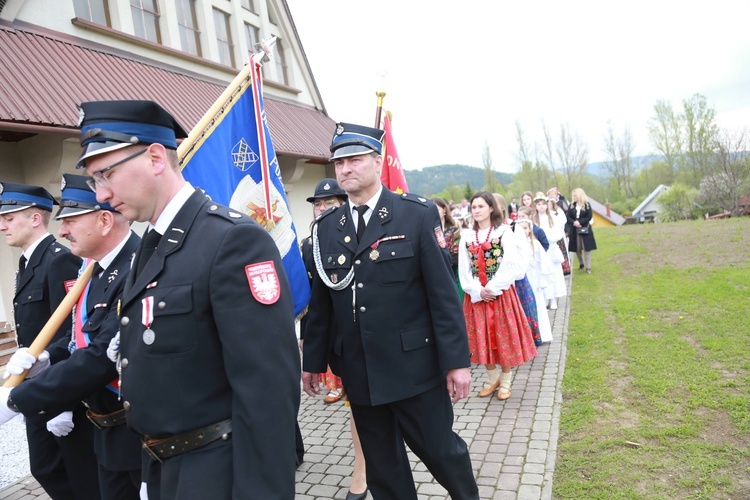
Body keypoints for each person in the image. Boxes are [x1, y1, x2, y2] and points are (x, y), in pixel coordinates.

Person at [77, 100, 301, 499]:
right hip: (166, 467)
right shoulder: (151, 245)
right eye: (95, 180)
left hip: (217, 471)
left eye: (106, 174)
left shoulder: (231, 240)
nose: (102, 195)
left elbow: (267, 390)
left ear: (155, 157)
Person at [302, 122, 479, 500]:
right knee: (384, 468)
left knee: (441, 451)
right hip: (360, 370)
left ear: (377, 163)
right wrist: (312, 360)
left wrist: (457, 362)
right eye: (338, 163)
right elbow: (322, 303)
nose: (344, 169)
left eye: (354, 160)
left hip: (414, 367)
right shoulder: (326, 229)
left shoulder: (414, 215)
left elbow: (443, 296)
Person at [0, 174, 142, 500]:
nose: (62, 231)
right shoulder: (94, 269)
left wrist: (19, 400)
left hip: (132, 426)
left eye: (71, 220)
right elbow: (80, 333)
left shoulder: (134, 267)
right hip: (106, 424)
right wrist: (47, 357)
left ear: (105, 220)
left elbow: (104, 350)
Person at [0, 182, 101, 500]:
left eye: (10, 217)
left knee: (81, 473)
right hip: (39, 385)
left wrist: (64, 403)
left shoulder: (59, 259)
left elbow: (74, 333)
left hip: (60, 390)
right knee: (45, 468)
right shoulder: (28, 262)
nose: (2, 225)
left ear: (34, 219)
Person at [300, 178, 368, 500]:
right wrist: (309, 343)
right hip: (340, 339)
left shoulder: (361, 236)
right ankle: (362, 467)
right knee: (357, 404)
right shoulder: (308, 244)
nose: (323, 209)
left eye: (331, 203)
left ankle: (377, 459)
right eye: (318, 204)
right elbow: (313, 298)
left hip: (373, 334)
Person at [458, 192, 537, 400]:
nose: (476, 211)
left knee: (503, 337)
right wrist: (476, 291)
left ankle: (506, 381)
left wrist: (491, 289)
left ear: (491, 208)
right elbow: (464, 268)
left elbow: (510, 264)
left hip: (499, 295)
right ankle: (492, 377)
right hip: (476, 297)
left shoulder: (503, 232)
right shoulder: (466, 236)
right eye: (474, 207)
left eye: (481, 207)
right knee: (481, 337)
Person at [514, 217, 553, 344]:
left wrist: (543, 280)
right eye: (520, 228)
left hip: (534, 278)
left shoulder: (534, 244)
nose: (523, 231)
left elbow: (543, 263)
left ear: (530, 229)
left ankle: (542, 333)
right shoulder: (515, 244)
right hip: (522, 280)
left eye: (525, 228)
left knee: (538, 305)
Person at [533, 193, 567, 311]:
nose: (541, 207)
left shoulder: (552, 216)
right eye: (538, 204)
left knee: (553, 272)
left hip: (551, 248)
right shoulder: (534, 219)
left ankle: (553, 298)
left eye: (543, 204)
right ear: (536, 206)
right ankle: (546, 297)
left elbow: (559, 232)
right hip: (540, 249)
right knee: (543, 273)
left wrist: (551, 238)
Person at [567, 187, 598, 273]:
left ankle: (588, 267)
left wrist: (580, 222)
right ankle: (581, 263)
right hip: (574, 230)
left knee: (586, 249)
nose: (574, 197)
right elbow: (568, 216)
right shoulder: (571, 205)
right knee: (577, 248)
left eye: (575, 196)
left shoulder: (587, 205)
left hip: (585, 229)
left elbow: (589, 216)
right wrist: (574, 222)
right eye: (573, 196)